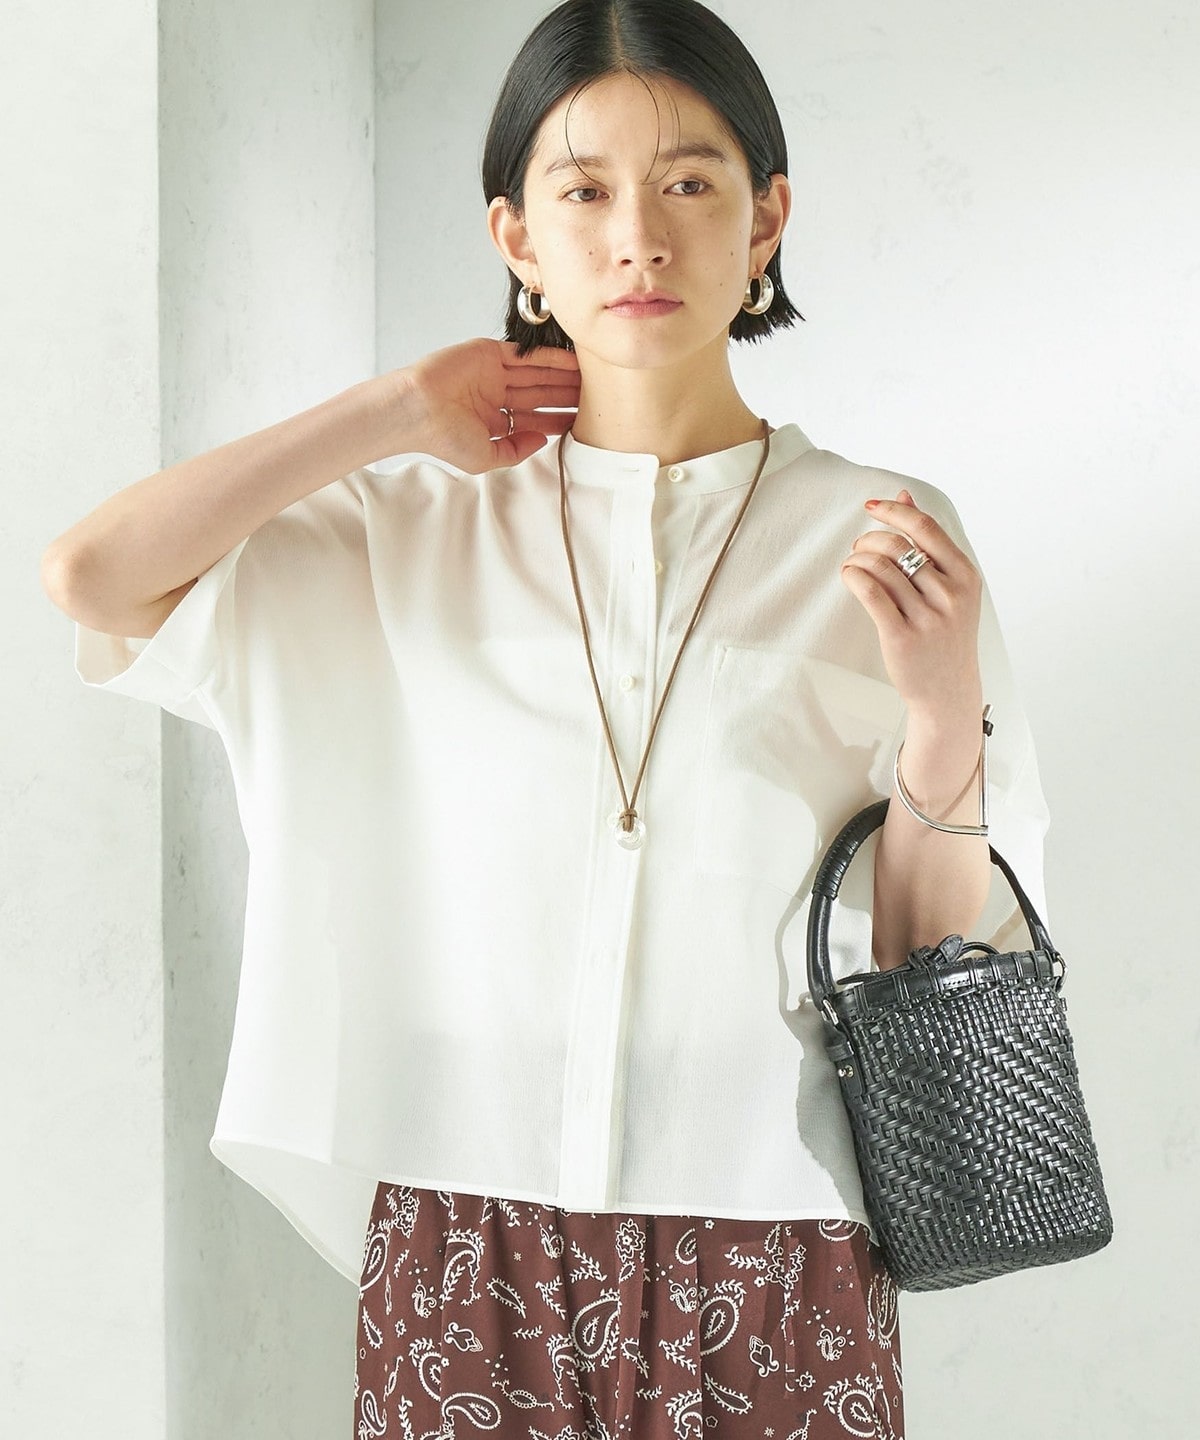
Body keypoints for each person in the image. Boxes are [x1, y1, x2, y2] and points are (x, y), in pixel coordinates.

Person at [42, 2, 1049, 1436]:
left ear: (766, 217)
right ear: (515, 237)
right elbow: (94, 578)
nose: (639, 238)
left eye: (689, 182)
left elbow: (932, 950)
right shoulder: (406, 527)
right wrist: (395, 407)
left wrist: (946, 712)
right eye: (583, 191)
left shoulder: (881, 533)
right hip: (467, 1239)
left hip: (778, 1234)